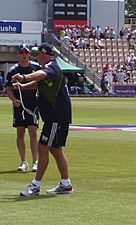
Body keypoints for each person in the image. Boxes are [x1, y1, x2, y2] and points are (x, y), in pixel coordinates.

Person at [11, 43, 73, 196]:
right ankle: (66, 184)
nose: (36, 56)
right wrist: (24, 86)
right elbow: (39, 83)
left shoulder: (51, 67)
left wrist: (24, 77)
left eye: (38, 54)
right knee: (55, 149)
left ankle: (35, 185)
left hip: (56, 117)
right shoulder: (49, 68)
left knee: (42, 148)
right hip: (56, 117)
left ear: (45, 54)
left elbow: (41, 75)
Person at [5, 44, 40, 172]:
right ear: (18, 54)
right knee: (20, 132)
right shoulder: (13, 70)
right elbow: (8, 88)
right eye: (21, 52)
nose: (24, 55)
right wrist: (14, 100)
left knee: (33, 131)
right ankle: (23, 161)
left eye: (26, 52)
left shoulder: (35, 68)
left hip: (32, 104)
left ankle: (35, 161)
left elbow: (39, 84)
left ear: (29, 54)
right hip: (19, 104)